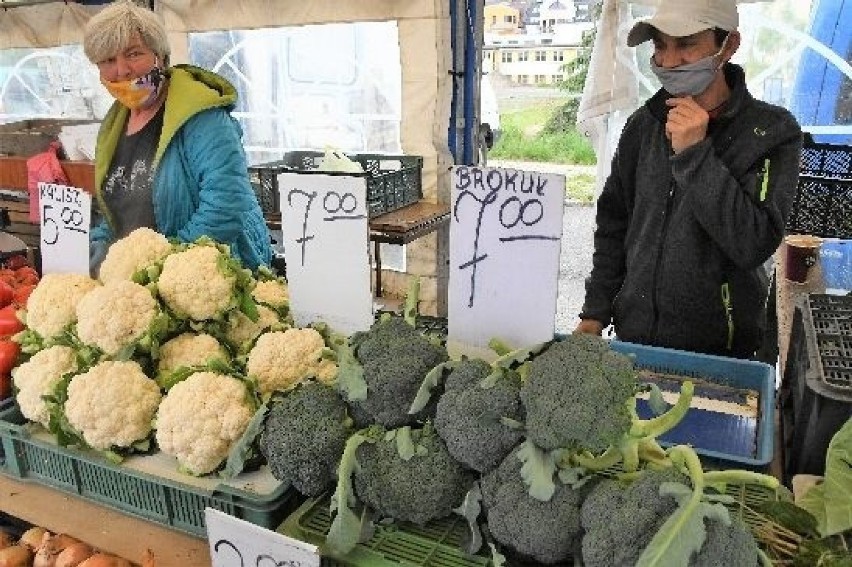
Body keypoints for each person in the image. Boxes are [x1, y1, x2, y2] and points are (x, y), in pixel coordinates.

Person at [574, 0, 802, 358]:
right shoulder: (641, 126)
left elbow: (753, 243)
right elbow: (613, 227)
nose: (667, 61)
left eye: (686, 44)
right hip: (634, 340)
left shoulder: (771, 133)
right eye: (660, 45)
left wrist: (695, 155)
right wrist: (595, 312)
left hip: (721, 352)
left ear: (729, 45)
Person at [82, 0, 272, 273]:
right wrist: (100, 248)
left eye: (134, 54)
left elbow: (227, 204)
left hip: (213, 275)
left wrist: (164, 268)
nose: (122, 70)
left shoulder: (202, 115)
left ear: (160, 55)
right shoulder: (113, 125)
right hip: (140, 283)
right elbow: (114, 210)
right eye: (109, 60)